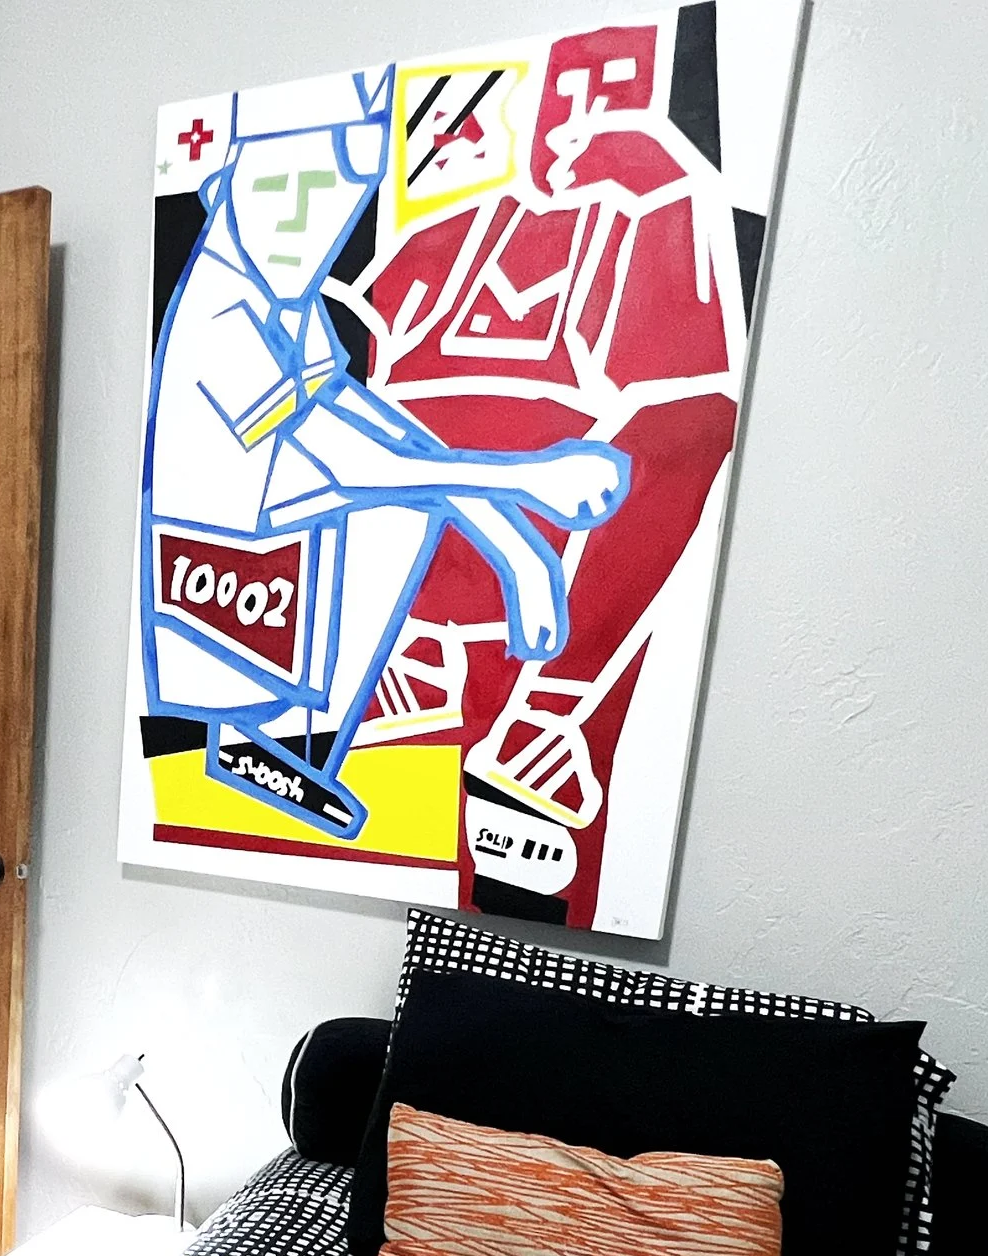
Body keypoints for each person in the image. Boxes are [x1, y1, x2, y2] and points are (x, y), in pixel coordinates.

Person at [140, 65, 629, 839]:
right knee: (389, 502)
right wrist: (527, 482)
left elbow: (368, 423)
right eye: (278, 194)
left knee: (401, 509)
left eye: (327, 207)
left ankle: (287, 747)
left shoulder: (281, 303)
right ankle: (249, 738)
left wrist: (511, 539)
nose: (301, 228)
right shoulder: (222, 314)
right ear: (224, 190)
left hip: (262, 535)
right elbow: (347, 460)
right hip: (219, 552)